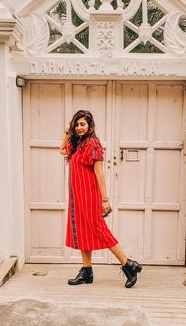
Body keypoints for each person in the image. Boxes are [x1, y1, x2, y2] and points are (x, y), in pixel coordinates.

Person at [60, 110, 142, 288]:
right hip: (77, 197)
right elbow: (61, 149)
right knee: (82, 231)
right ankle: (87, 271)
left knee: (100, 231)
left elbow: (99, 173)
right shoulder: (77, 143)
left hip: (90, 196)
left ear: (90, 126)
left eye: (83, 124)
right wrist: (67, 131)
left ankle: (129, 265)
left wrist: (105, 199)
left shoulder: (93, 144)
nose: (79, 128)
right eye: (77, 124)